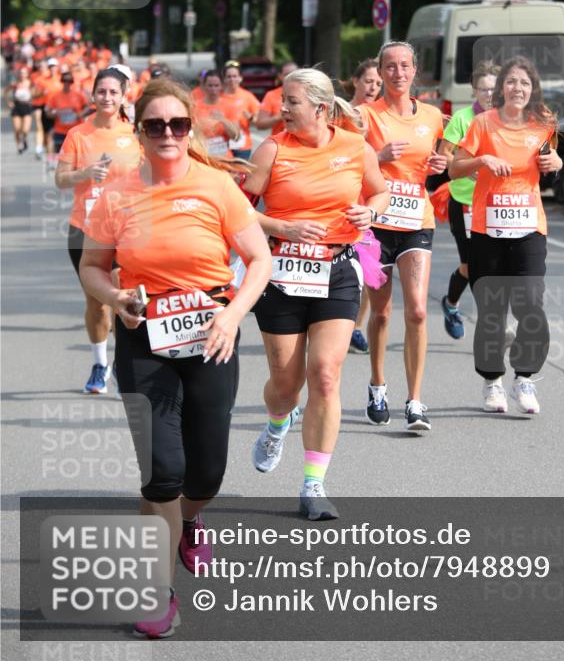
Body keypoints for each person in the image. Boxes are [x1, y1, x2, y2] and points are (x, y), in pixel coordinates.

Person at [80, 77, 271, 639]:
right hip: (145, 335)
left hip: (212, 331)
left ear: (190, 129)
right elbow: (94, 266)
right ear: (139, 133)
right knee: (163, 471)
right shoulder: (116, 193)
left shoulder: (216, 186)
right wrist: (116, 297)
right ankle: (156, 592)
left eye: (178, 124)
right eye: (155, 125)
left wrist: (233, 315)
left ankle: (191, 520)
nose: (168, 133)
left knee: (205, 471)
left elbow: (257, 260)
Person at [243, 68, 388, 520]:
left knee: (325, 375)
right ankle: (276, 422)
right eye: (282, 100)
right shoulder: (270, 150)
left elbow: (380, 192)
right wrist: (282, 226)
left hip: (337, 270)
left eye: (291, 102)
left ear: (321, 108)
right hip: (282, 275)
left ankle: (313, 485)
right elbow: (237, 213)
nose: (281, 109)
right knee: (286, 387)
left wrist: (369, 211)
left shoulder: (354, 147)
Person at [448, 56, 563, 415]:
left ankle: (524, 377)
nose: (518, 89)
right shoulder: (483, 123)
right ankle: (493, 381)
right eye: (512, 82)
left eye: (525, 84)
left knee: (530, 304)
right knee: (492, 310)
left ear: (533, 90)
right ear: (501, 89)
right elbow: (453, 168)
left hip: (529, 228)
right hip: (487, 229)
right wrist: (481, 161)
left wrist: (556, 163)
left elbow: (552, 160)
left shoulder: (543, 123)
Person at [358, 41, 448, 432]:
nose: (397, 73)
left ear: (415, 71)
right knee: (380, 312)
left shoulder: (432, 116)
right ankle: (378, 384)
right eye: (389, 67)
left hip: (416, 220)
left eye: (404, 66)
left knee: (417, 310)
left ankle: (415, 400)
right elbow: (345, 162)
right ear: (380, 72)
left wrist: (442, 165)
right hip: (375, 225)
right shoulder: (364, 115)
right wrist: (377, 157)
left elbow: (441, 165)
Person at [55, 68, 141, 394]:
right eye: (101, 92)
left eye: (113, 92)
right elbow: (60, 179)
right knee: (96, 303)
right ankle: (100, 363)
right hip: (85, 228)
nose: (107, 98)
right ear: (92, 95)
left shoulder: (135, 134)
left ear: (123, 96)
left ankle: (122, 366)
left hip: (125, 229)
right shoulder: (79, 134)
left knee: (121, 299)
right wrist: (85, 173)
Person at [439, 61, 499, 338]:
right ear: (474, 90)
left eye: (493, 89)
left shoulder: (506, 119)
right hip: (464, 201)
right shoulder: (463, 118)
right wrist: (470, 166)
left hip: (498, 204)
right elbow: (445, 155)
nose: (489, 94)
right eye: (483, 89)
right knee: (471, 266)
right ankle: (452, 305)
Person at [345, 59, 383, 354]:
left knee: (371, 270)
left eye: (379, 83)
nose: (374, 87)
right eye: (369, 81)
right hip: (342, 202)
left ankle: (357, 325)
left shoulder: (383, 116)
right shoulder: (339, 114)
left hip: (372, 202)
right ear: (355, 81)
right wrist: (382, 157)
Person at [192, 69, 241, 157]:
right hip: (202, 157)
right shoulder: (195, 107)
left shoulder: (230, 106)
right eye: (210, 86)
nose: (213, 89)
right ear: (203, 86)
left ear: (222, 86)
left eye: (216, 85)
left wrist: (223, 120)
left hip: (224, 158)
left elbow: (236, 136)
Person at [217, 60, 261, 159]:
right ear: (224, 79)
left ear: (240, 78)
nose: (232, 79)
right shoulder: (218, 97)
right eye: (229, 77)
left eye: (235, 76)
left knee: (241, 173)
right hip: (221, 144)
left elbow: (259, 122)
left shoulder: (247, 96)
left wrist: (250, 118)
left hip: (242, 145)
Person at [45, 71, 87, 162]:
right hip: (60, 131)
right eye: (65, 81)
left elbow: (88, 107)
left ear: (72, 82)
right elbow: (47, 111)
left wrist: (81, 114)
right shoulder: (55, 96)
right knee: (61, 158)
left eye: (69, 81)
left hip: (76, 131)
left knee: (76, 158)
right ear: (61, 81)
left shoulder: (78, 95)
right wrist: (54, 114)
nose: (67, 83)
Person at [255, 61, 299, 135]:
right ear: (280, 76)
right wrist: (279, 117)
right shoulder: (271, 95)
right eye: (287, 74)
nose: (291, 78)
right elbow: (260, 124)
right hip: (281, 144)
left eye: (294, 74)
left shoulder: (308, 93)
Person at [5, 65, 34, 154]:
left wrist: (33, 100)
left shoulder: (30, 83)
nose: (22, 75)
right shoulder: (15, 84)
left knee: (25, 130)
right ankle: (19, 146)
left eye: (24, 73)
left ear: (27, 74)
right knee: (17, 129)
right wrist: (8, 102)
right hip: (17, 107)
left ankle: (24, 139)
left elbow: (36, 93)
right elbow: (5, 92)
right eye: (21, 73)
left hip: (26, 107)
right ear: (18, 74)